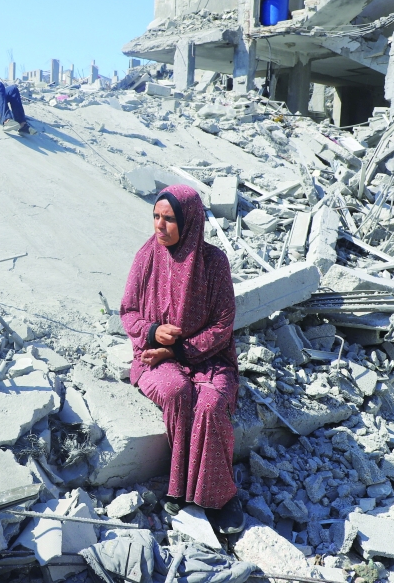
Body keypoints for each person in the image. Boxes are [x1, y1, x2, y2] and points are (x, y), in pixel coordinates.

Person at [120, 184, 244, 534]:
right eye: (156, 217)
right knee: (176, 391)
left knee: (211, 404)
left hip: (209, 356)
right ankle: (181, 487)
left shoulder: (213, 262)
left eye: (169, 219)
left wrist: (178, 349)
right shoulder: (147, 255)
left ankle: (219, 498)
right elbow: (128, 311)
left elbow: (223, 325)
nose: (160, 226)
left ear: (189, 221)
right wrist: (153, 331)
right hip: (153, 354)